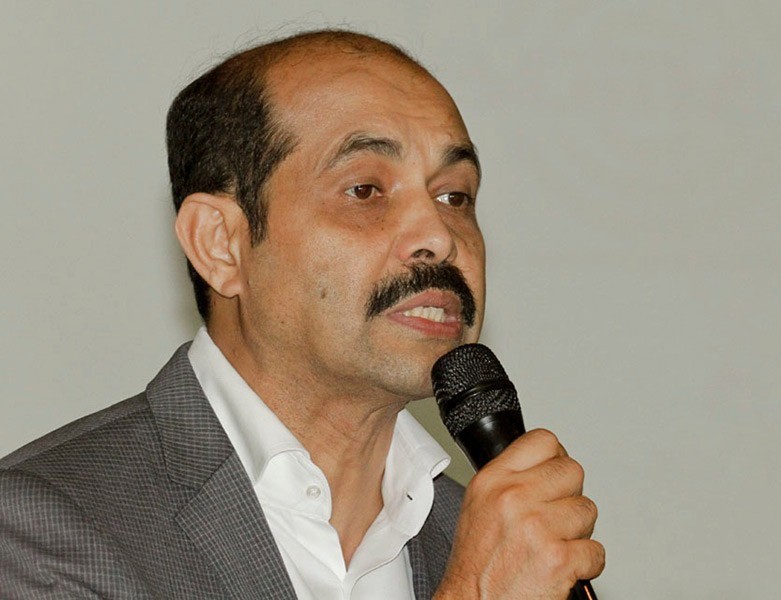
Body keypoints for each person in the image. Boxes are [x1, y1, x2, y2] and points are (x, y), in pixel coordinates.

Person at [0, 29, 604, 599]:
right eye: (365, 190)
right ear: (220, 244)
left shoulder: (484, 537)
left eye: (454, 196)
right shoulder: (43, 525)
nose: (439, 236)